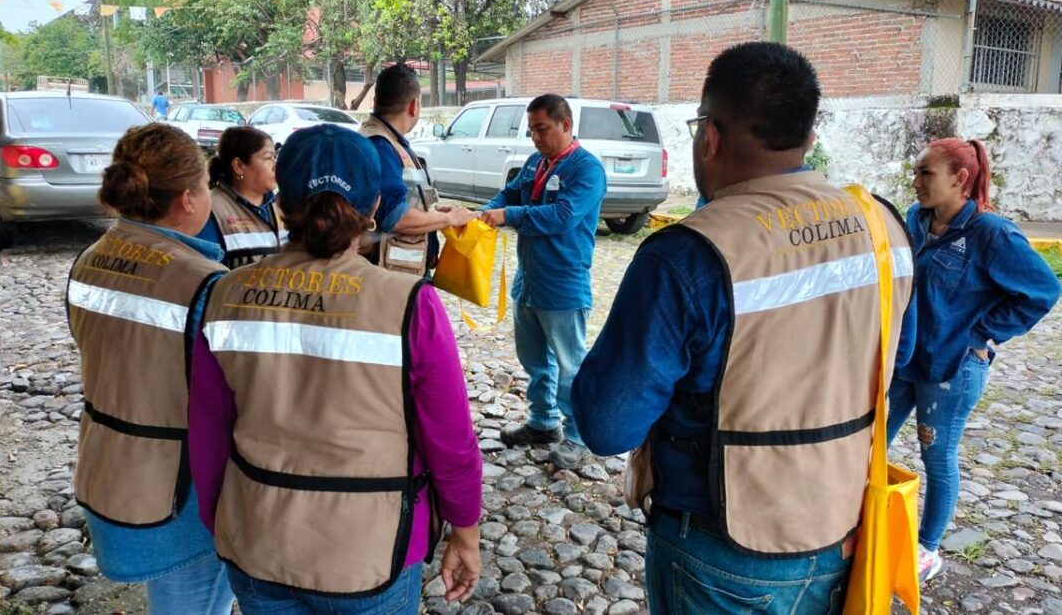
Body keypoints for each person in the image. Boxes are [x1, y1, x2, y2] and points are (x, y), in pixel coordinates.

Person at [571, 42, 917, 613]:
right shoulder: (882, 223)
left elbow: (608, 426)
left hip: (719, 548)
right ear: (807, 136)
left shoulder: (687, 255)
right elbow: (904, 361)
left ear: (710, 135)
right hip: (844, 527)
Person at [189, 124, 483, 614]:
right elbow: (450, 439)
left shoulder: (224, 293)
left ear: (282, 207)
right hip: (373, 550)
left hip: (259, 540)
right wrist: (465, 531)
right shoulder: (409, 303)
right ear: (372, 211)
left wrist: (227, 522)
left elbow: (208, 433)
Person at [65, 123, 233, 614]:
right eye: (206, 186)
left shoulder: (90, 259)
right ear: (187, 198)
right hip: (181, 490)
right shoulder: (202, 282)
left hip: (109, 467)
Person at [889, 138, 1060, 583]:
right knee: (870, 442)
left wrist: (984, 334)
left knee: (937, 455)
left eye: (926, 173)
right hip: (908, 355)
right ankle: (862, 522)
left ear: (959, 179)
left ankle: (926, 549)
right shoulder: (915, 218)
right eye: (916, 172)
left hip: (952, 368)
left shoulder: (991, 234)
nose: (916, 182)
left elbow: (1043, 290)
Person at [479, 93, 607, 470]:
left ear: (566, 125)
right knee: (534, 360)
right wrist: (487, 211)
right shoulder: (537, 162)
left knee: (570, 364)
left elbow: (561, 216)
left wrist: (507, 216)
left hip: (564, 284)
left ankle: (578, 435)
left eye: (542, 129)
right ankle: (542, 423)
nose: (535, 137)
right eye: (531, 129)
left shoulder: (586, 170)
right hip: (529, 282)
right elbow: (511, 192)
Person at [359, 64, 477, 274]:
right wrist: (449, 219)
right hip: (392, 279)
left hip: (399, 273)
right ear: (414, 106)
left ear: (375, 101)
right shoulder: (380, 145)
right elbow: (395, 217)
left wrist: (431, 211)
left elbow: (402, 198)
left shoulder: (390, 141)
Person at [197, 126, 286, 268]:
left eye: (275, 157)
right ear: (238, 166)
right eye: (268, 158)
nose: (275, 165)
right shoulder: (210, 210)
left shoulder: (282, 206)